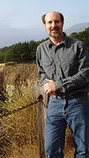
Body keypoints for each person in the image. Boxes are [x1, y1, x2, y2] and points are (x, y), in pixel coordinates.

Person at [36, 11, 89, 158]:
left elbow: (85, 74)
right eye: (50, 22)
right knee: (52, 151)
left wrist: (58, 85)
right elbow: (41, 73)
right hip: (54, 104)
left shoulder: (78, 46)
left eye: (56, 22)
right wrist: (47, 84)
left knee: (83, 151)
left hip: (78, 103)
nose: (54, 25)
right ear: (44, 25)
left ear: (62, 23)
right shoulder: (41, 49)